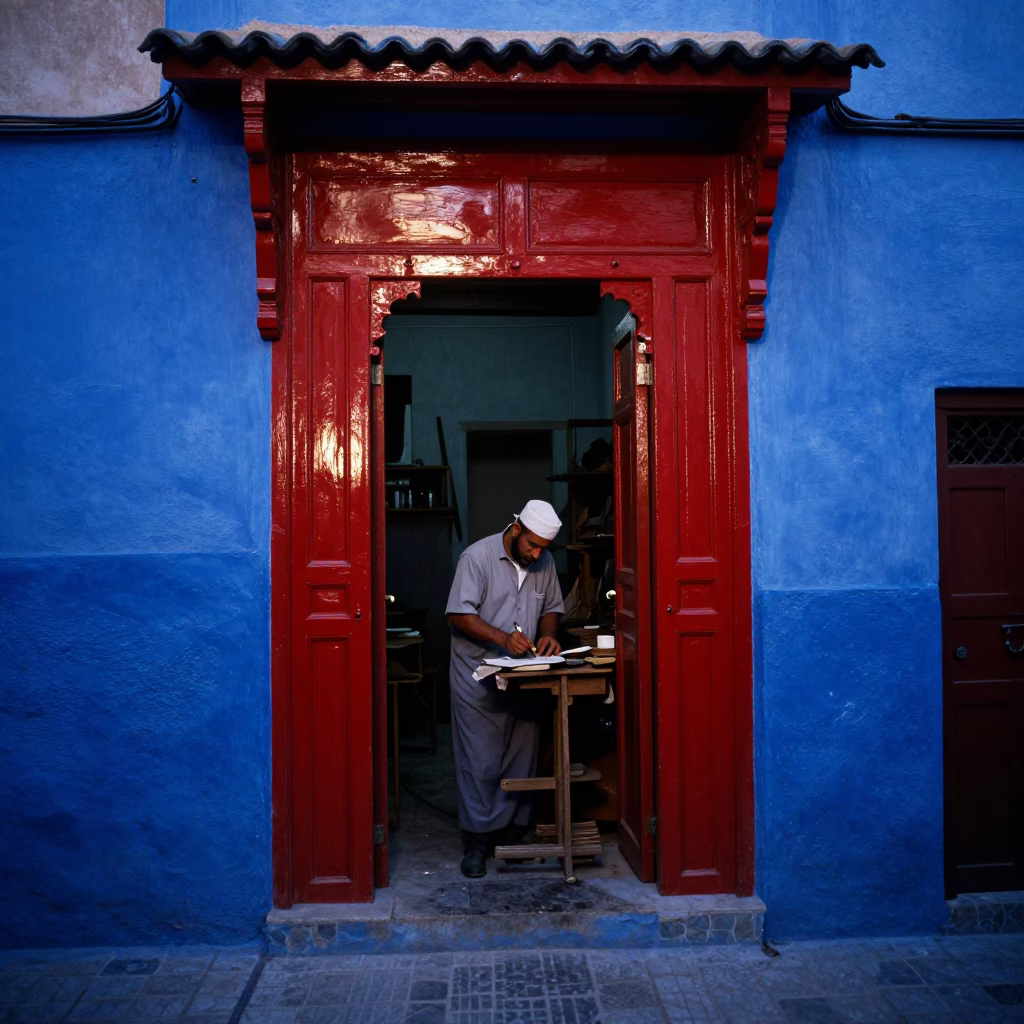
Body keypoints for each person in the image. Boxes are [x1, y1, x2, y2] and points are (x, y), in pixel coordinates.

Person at [445, 499, 565, 877]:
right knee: (481, 761)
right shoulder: (476, 557)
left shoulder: (544, 561)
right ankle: (478, 841)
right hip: (476, 674)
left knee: (521, 753)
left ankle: (514, 832)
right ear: (516, 530)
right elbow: (457, 613)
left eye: (543, 549)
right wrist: (501, 638)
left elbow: (552, 608)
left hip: (523, 677)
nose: (536, 554)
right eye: (531, 545)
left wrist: (548, 636)